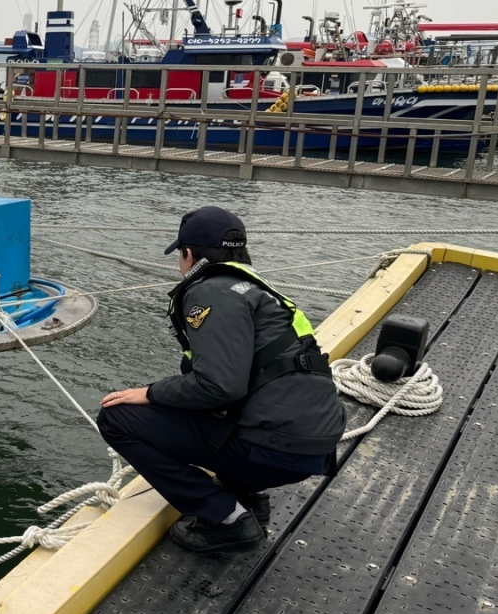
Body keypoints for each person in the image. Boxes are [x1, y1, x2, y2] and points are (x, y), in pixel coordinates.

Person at [97, 206, 346, 553]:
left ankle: (227, 518)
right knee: (215, 411)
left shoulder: (210, 292)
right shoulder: (257, 290)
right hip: (315, 447)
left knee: (116, 416)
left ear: (187, 254)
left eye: (180, 256)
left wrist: (151, 393)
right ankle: (250, 499)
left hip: (272, 452)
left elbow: (220, 386)